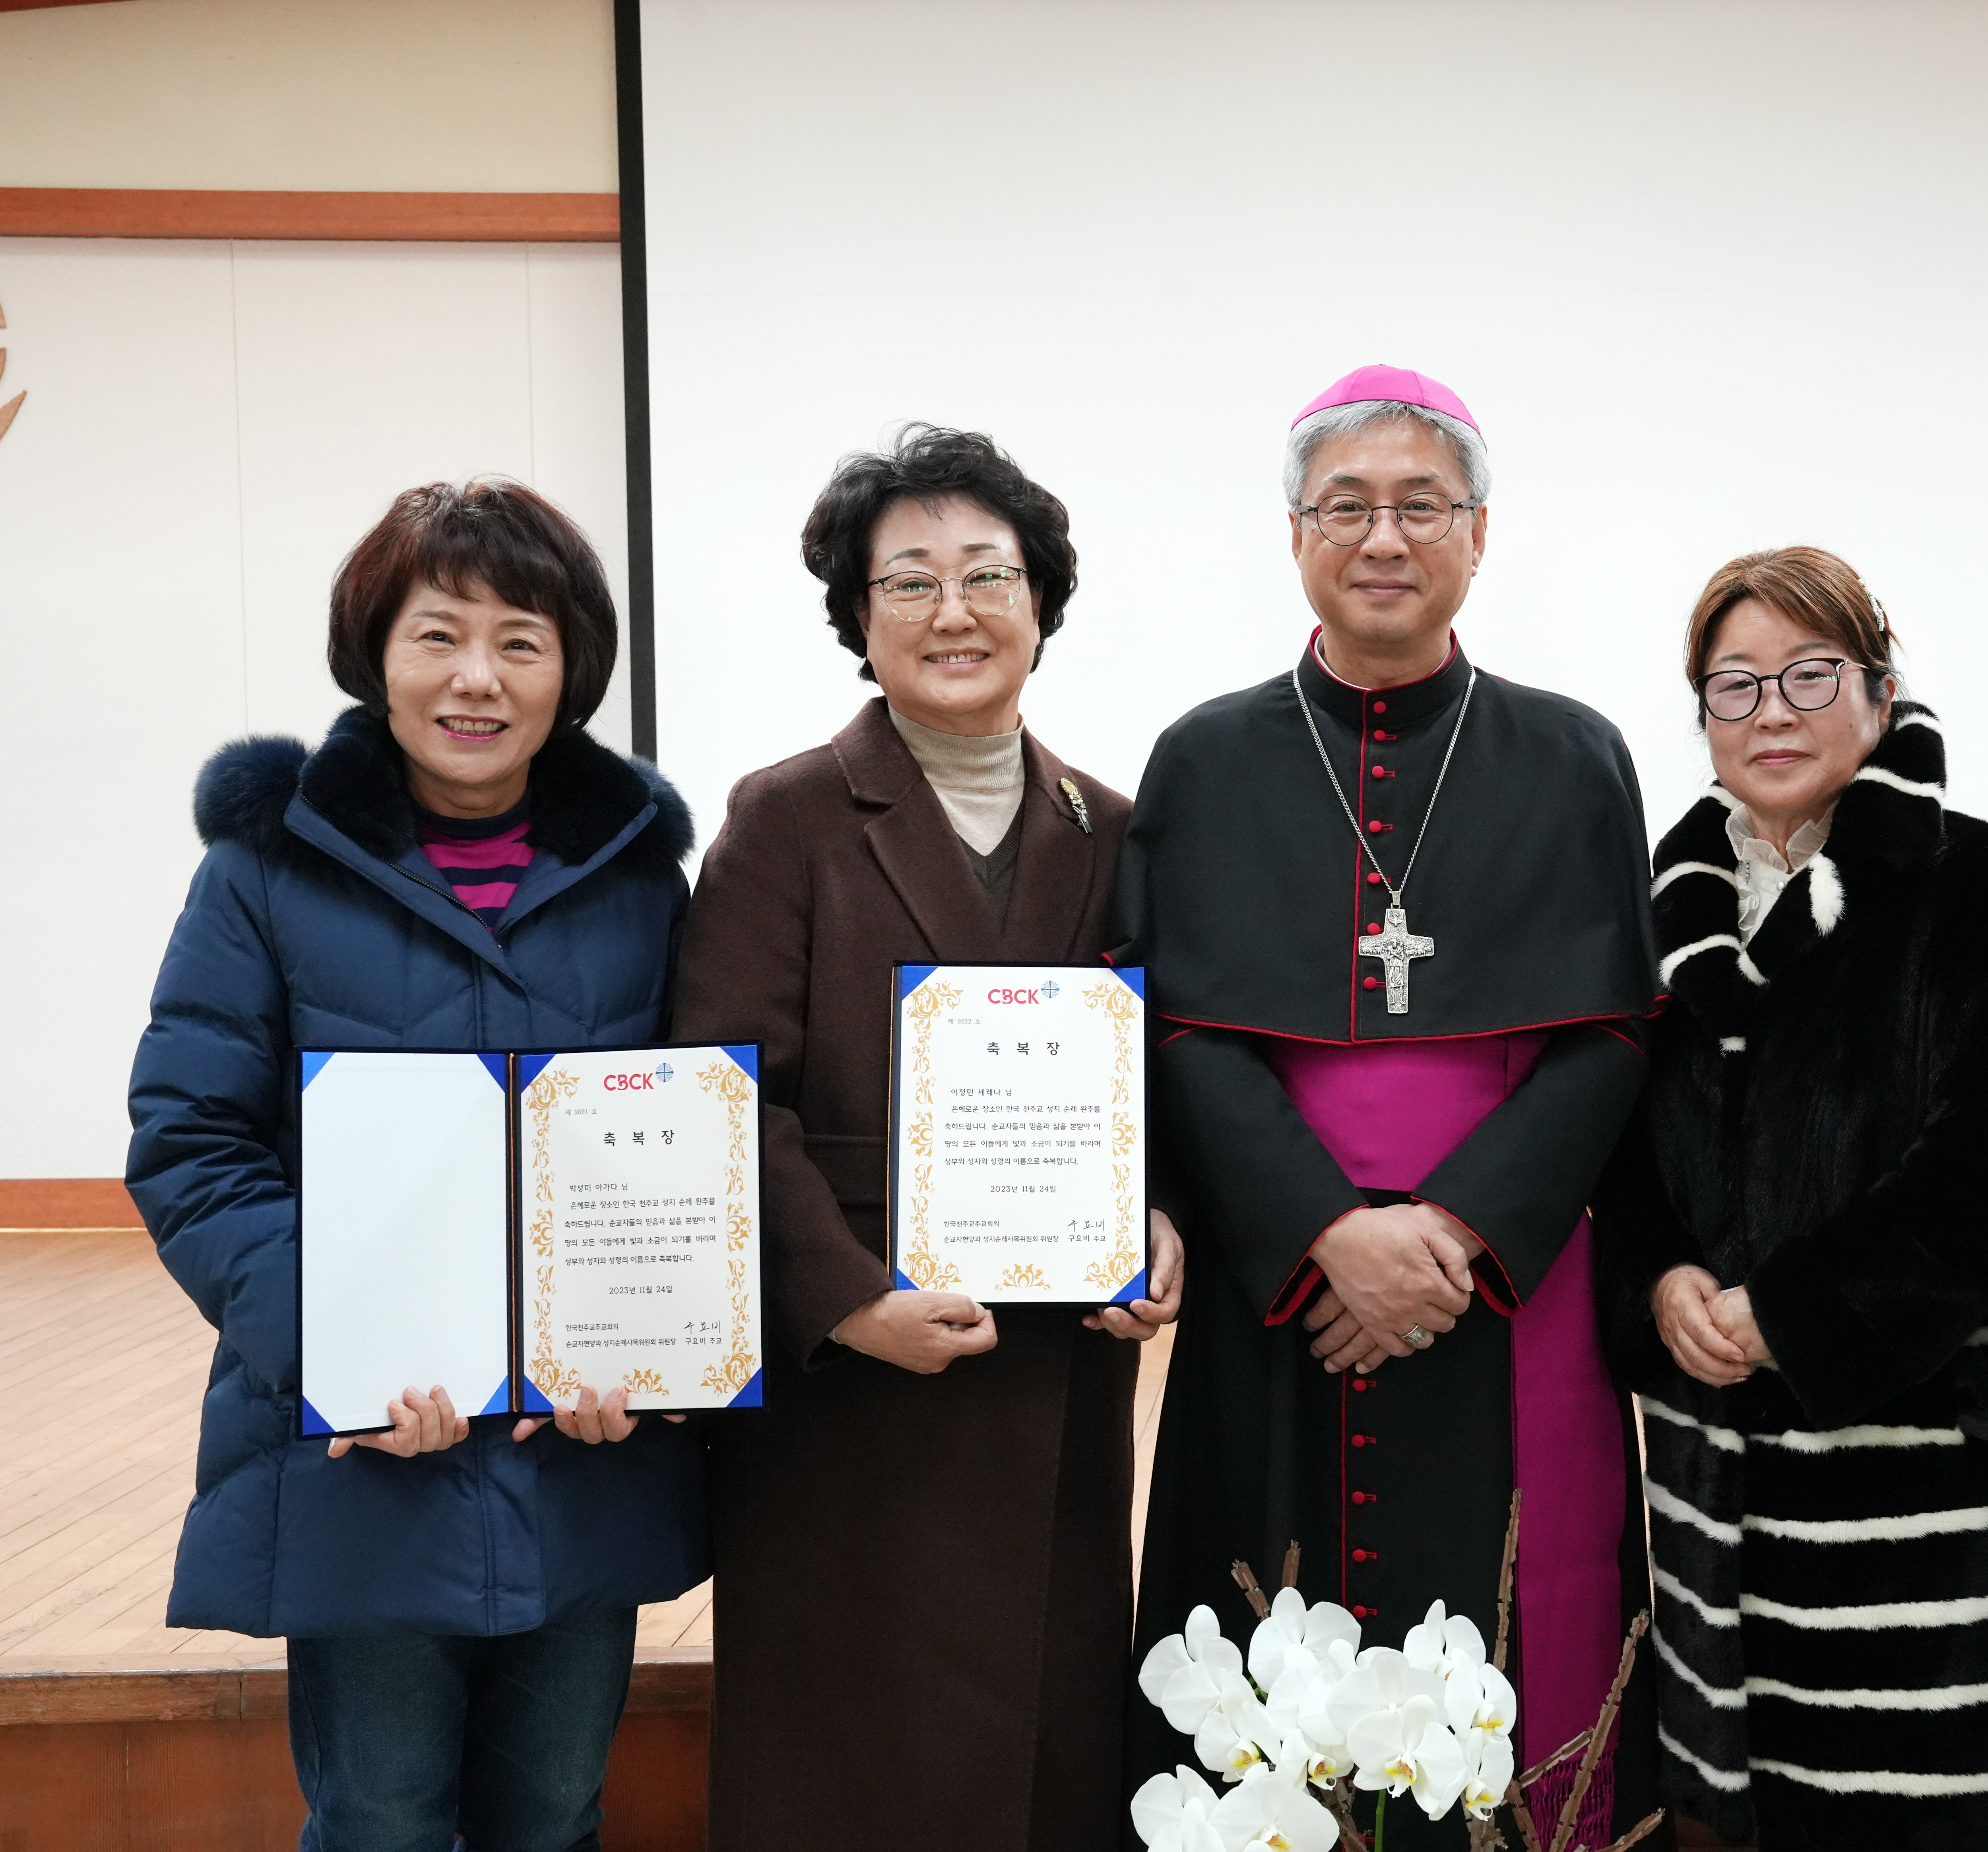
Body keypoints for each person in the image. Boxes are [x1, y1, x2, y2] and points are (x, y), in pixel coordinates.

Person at [1121, 366, 1661, 1843]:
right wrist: (1323, 1235)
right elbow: (1173, 1030)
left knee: (1521, 1644)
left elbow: (1613, 1034)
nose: (1384, 536)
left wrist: (1454, 1233)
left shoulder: (1571, 752)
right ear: (1294, 534)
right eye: (1346, 505)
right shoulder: (1206, 758)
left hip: (1500, 1293)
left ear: (1479, 535)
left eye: (1422, 504)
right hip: (1279, 1295)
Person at [126, 479, 707, 1851]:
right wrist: (338, 1350)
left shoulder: (640, 879)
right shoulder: (263, 874)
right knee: (380, 1815)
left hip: (582, 1460)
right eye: (437, 634)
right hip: (362, 1463)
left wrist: (655, 1355)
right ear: (372, 653)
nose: (476, 678)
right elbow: (191, 1146)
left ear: (573, 672)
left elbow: (690, 1149)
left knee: (558, 1811)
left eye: (522, 639)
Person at [669, 423, 1181, 1852]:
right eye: (909, 583)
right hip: (856, 1394)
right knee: (852, 1764)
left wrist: (1155, 1223)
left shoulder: (1116, 827)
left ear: (1040, 604)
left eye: (986, 576)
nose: (953, 613)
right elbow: (729, 1093)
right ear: (857, 616)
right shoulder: (787, 819)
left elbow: (1152, 1080)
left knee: (1044, 1753)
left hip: (1048, 1383)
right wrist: (847, 1302)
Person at [1592, 548, 1988, 1852]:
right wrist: (1661, 1283)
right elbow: (1624, 1155)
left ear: (1881, 693)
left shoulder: (1975, 882)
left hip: (1927, 1477)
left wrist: (1793, 1314)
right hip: (1722, 1474)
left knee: (1919, 1809)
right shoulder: (1663, 905)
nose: (1771, 711)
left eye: (1810, 674)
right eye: (1734, 684)